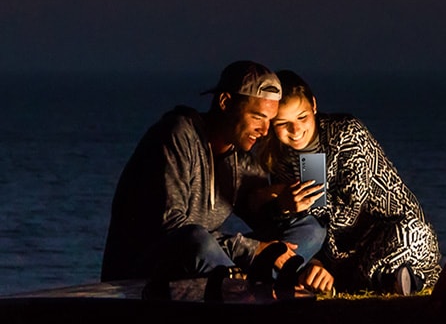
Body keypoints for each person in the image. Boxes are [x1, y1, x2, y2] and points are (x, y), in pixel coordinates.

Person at [101, 61, 326, 289]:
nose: (265, 130)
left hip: (208, 264)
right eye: (257, 117)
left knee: (310, 228)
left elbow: (265, 222)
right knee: (197, 239)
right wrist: (252, 249)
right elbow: (172, 228)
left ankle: (250, 284)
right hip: (144, 270)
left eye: (270, 120)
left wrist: (282, 208)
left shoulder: (241, 157)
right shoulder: (176, 135)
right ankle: (246, 289)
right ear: (225, 102)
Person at [256, 70, 442, 295]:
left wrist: (292, 201)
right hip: (333, 252)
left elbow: (348, 212)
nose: (295, 130)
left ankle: (398, 278)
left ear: (313, 105)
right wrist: (284, 207)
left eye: (302, 117)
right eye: (282, 123)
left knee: (413, 232)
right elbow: (295, 222)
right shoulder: (277, 155)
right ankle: (383, 280)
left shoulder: (346, 132)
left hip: (385, 231)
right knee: (302, 240)